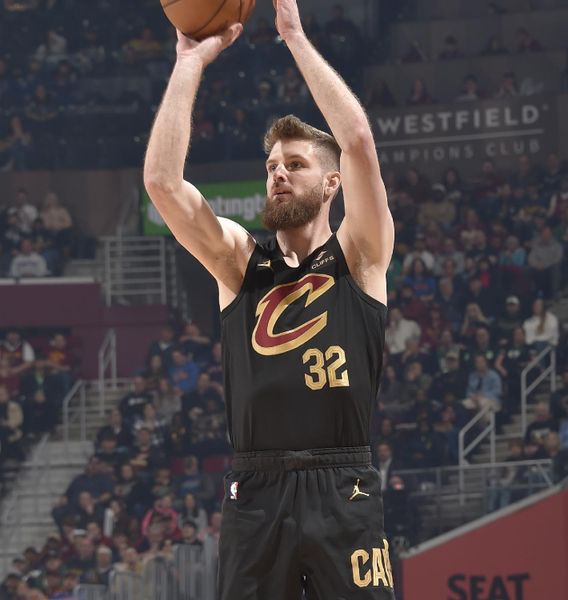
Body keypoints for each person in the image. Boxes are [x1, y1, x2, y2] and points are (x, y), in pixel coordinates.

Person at [143, 1, 396, 597]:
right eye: (271, 165)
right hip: (256, 492)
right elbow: (162, 183)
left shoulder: (359, 256)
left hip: (344, 485)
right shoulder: (240, 264)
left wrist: (294, 39)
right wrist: (188, 62)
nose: (278, 174)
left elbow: (357, 140)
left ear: (331, 183)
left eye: (296, 164)